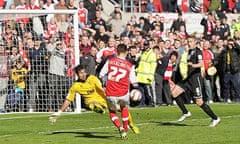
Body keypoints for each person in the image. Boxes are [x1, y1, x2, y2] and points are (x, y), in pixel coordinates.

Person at [49, 64, 139, 135]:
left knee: (123, 109)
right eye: (81, 73)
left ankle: (131, 125)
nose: (83, 74)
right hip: (92, 102)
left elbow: (102, 88)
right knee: (90, 104)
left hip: (104, 99)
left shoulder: (92, 78)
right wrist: (59, 112)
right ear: (77, 75)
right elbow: (68, 100)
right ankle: (100, 110)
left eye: (84, 72)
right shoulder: (75, 86)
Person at [170, 35, 221, 127]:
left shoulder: (198, 52)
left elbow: (201, 63)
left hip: (195, 79)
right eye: (188, 41)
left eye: (191, 41)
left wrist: (193, 65)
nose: (189, 43)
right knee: (174, 93)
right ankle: (185, 112)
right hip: (187, 78)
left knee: (199, 102)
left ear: (195, 42)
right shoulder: (189, 51)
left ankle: (215, 118)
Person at [99, 44, 139, 138]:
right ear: (126, 52)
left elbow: (101, 74)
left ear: (116, 51)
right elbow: (134, 82)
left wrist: (105, 83)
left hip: (110, 91)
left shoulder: (110, 61)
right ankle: (125, 128)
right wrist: (137, 91)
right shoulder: (130, 65)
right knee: (124, 107)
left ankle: (119, 127)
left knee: (112, 112)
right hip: (123, 92)